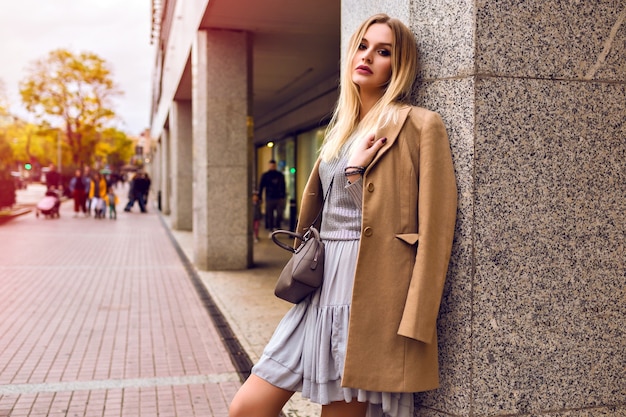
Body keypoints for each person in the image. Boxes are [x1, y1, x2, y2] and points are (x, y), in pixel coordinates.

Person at [229, 14, 457, 417]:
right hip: (319, 285)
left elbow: (436, 232)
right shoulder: (339, 131)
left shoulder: (419, 126)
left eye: (383, 51)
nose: (367, 56)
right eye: (363, 45)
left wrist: (416, 321)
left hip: (366, 288)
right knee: (247, 407)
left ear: (397, 66)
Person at [258, 159, 286, 232]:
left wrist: (283, 196)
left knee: (280, 213)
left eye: (273, 166)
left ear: (275, 166)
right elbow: (261, 186)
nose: (272, 167)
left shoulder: (280, 175)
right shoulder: (265, 175)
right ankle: (271, 229)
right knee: (270, 215)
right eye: (271, 165)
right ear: (269, 166)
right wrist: (260, 197)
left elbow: (283, 186)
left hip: (279, 197)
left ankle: (277, 225)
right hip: (269, 197)